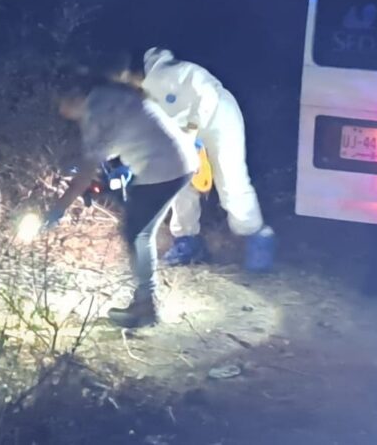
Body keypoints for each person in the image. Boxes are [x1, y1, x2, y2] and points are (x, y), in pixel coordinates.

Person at [47, 72, 198, 328]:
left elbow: (87, 170)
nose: (61, 113)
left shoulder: (96, 112)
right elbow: (120, 140)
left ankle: (145, 306)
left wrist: (58, 208)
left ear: (73, 96)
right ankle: (144, 302)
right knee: (139, 230)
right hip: (182, 161)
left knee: (137, 233)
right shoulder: (112, 96)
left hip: (162, 168)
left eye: (60, 104)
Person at [126, 48, 275, 272]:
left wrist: (194, 128)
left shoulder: (177, 73)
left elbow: (208, 94)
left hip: (219, 119)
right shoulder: (145, 93)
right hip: (188, 132)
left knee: (231, 179)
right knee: (180, 181)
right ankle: (187, 241)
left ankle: (257, 236)